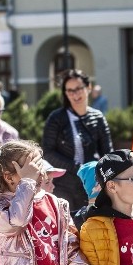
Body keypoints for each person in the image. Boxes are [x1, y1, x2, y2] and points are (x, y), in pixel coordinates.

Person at [42, 70, 113, 211]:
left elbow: (108, 153)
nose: (75, 94)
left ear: (88, 87)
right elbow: (47, 152)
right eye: (70, 90)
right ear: (65, 93)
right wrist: (77, 167)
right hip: (63, 185)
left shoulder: (97, 117)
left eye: (79, 89)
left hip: (91, 183)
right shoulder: (56, 118)